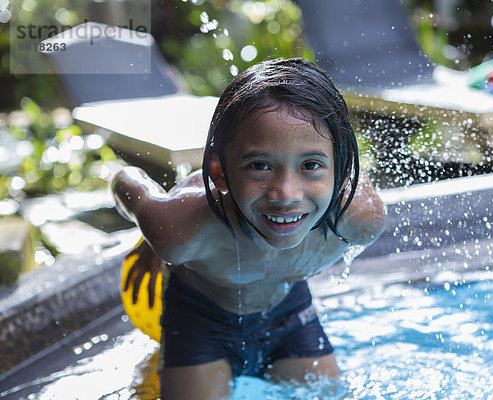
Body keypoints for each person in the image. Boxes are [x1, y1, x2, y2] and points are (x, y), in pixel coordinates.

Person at [111, 57, 386, 400]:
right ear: (218, 171)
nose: (285, 195)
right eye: (260, 166)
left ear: (342, 169)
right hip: (200, 320)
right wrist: (150, 235)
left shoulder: (359, 218)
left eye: (311, 165)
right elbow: (126, 180)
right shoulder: (181, 231)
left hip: (288, 311)